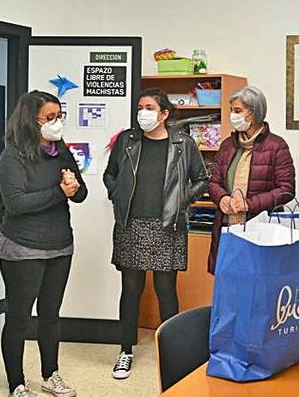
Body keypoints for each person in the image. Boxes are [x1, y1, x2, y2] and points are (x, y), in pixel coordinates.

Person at [103, 89, 208, 379]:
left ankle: (172, 352)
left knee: (165, 290)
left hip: (168, 225)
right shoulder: (127, 140)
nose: (143, 113)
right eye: (140, 107)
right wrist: (117, 194)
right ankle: (125, 351)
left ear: (164, 114)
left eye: (150, 108)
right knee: (131, 289)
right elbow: (109, 174)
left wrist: (181, 200)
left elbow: (202, 179)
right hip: (131, 224)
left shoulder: (183, 144)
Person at [0, 90, 87, 397]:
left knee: (51, 315)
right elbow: (16, 203)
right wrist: (61, 192)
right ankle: (16, 383)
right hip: (23, 248)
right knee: (19, 318)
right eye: (49, 117)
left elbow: (81, 192)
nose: (56, 123)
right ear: (29, 121)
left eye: (59, 116)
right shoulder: (12, 156)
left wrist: (74, 188)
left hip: (60, 245)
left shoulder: (60, 151)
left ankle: (51, 374)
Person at [207, 86, 296, 273]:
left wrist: (249, 204)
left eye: (238, 111)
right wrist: (222, 198)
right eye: (231, 110)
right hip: (227, 228)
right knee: (228, 283)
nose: (233, 116)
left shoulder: (276, 146)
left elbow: (286, 189)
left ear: (254, 113)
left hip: (261, 229)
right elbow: (214, 182)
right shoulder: (227, 145)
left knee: (258, 285)